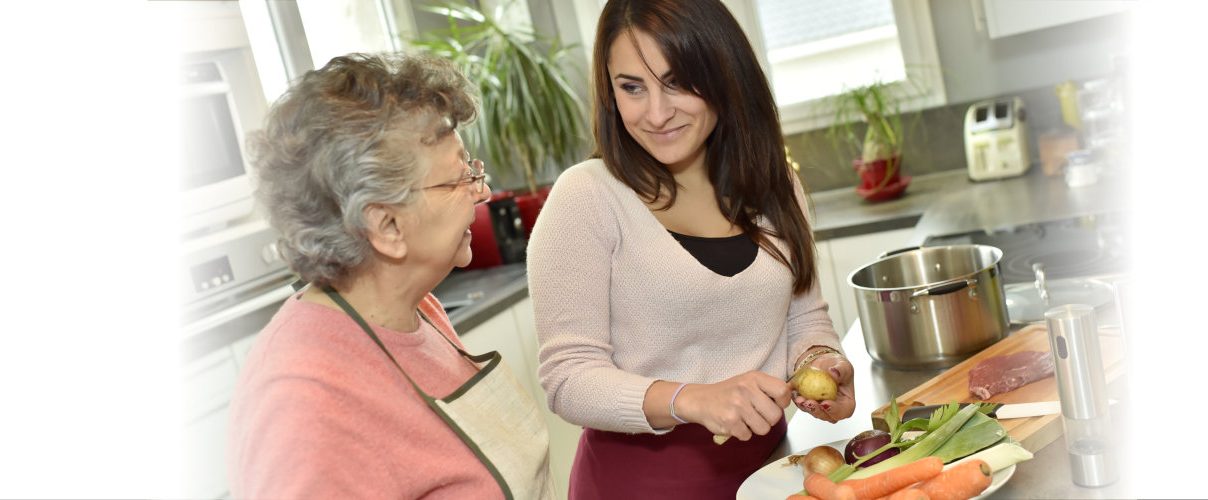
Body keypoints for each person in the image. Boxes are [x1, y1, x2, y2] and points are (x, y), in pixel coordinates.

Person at [526, 0, 857, 496]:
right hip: (639, 485)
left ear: (724, 75)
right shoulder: (587, 197)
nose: (656, 114)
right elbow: (568, 378)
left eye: (677, 82)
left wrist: (822, 361)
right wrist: (692, 400)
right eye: (631, 87)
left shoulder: (775, 186)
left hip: (772, 472)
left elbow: (802, 318)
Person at [227, 52, 554, 500]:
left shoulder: (416, 306)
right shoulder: (302, 406)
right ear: (386, 227)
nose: (483, 191)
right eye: (460, 178)